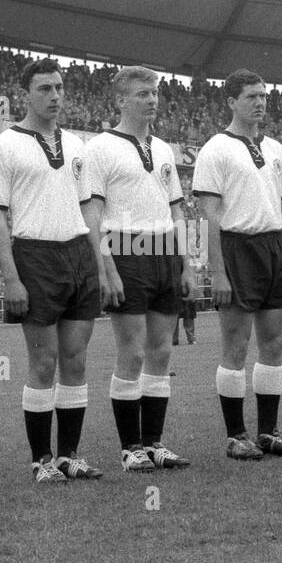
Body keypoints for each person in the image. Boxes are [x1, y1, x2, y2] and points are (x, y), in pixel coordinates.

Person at [0, 58, 102, 483]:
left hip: (79, 254)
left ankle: (70, 455)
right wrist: (11, 277)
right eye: (45, 88)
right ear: (26, 95)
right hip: (34, 255)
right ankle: (42, 460)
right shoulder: (4, 145)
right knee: (43, 362)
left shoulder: (79, 145)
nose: (55, 96)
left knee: (76, 359)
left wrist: (99, 263)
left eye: (60, 88)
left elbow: (88, 208)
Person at [85, 66, 195, 472]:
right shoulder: (100, 148)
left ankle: (155, 443)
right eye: (142, 93)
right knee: (131, 351)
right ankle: (130, 448)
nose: (152, 99)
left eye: (154, 93)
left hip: (164, 248)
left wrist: (185, 263)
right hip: (126, 246)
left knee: (161, 351)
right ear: (120, 100)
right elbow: (94, 212)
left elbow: (176, 209)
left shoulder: (164, 148)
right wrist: (106, 266)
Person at [191, 69, 282, 460]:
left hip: (274, 247)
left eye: (263, 96)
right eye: (251, 96)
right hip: (237, 248)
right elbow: (208, 215)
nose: (259, 102)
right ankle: (236, 435)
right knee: (236, 346)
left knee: (273, 343)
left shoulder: (276, 149)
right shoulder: (215, 149)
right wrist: (217, 270)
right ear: (231, 102)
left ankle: (269, 432)